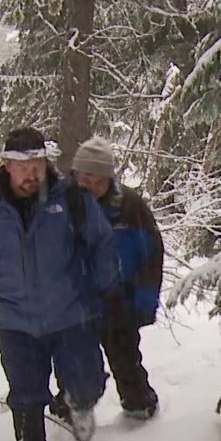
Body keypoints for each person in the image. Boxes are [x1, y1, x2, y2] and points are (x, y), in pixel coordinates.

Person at [0, 127, 121, 441]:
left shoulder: (70, 198)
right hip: (18, 322)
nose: (32, 172)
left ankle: (77, 404)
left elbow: (101, 243)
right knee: (26, 399)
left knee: (88, 384)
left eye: (38, 163)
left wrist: (110, 292)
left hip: (72, 315)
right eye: (23, 165)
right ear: (7, 166)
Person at [64, 136, 165, 421]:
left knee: (125, 358)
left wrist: (145, 304)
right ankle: (68, 412)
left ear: (110, 178)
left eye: (98, 181)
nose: (91, 187)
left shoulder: (129, 206)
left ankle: (140, 407)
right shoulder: (62, 204)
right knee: (76, 362)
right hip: (77, 301)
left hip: (122, 300)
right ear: (76, 174)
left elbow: (151, 256)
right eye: (85, 179)